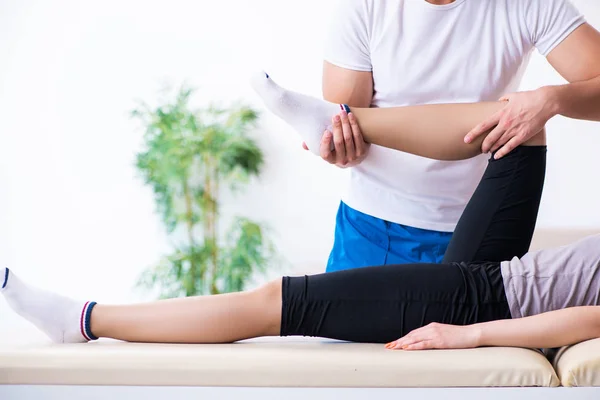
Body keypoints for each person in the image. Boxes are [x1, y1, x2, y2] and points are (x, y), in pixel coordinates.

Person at [3, 81, 600, 350]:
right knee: (521, 124)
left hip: (483, 300)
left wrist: (468, 334)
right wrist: (551, 96)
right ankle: (344, 122)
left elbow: (590, 324)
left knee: (277, 302)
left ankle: (84, 320)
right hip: (501, 275)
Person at [314, 0, 600, 272]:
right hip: (372, 228)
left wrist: (552, 100)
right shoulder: (366, 6)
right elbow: (341, 125)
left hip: (478, 231)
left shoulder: (527, 4)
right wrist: (340, 147)